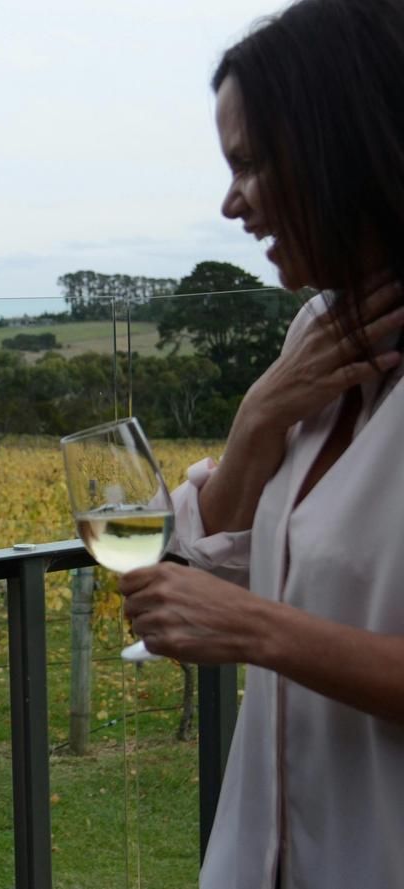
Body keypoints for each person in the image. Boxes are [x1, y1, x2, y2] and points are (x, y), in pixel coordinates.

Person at [118, 1, 404, 887]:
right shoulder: (316, 332)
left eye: (248, 162)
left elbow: (239, 604)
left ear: (339, 140)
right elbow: (224, 559)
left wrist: (259, 630)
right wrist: (255, 421)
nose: (230, 201)